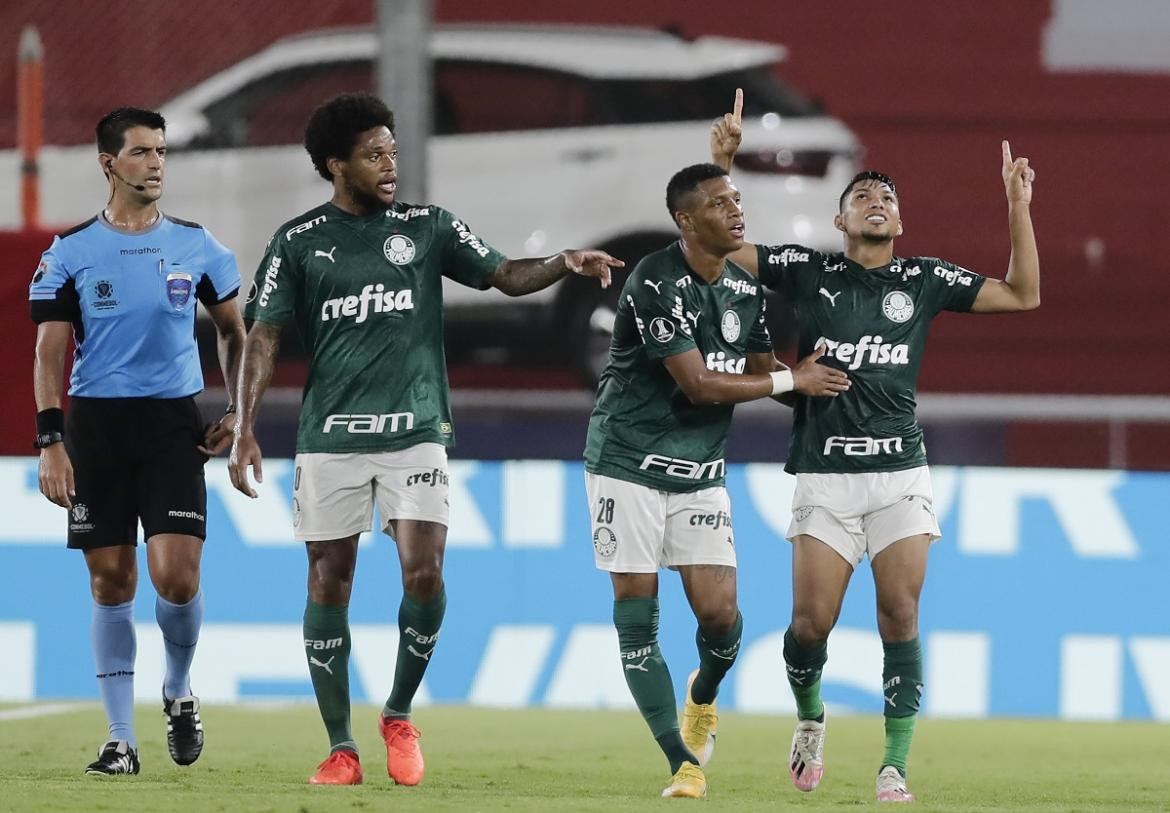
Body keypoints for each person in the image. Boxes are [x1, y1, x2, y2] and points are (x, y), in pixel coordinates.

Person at [226, 92, 623, 787]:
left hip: (416, 431)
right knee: (329, 579)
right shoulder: (297, 241)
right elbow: (263, 336)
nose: (389, 164)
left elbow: (501, 273)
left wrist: (563, 261)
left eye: (393, 150)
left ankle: (399, 711)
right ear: (335, 164)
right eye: (373, 153)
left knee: (425, 570)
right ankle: (341, 747)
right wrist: (245, 426)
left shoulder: (427, 226)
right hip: (332, 435)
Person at [709, 90, 1039, 803]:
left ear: (901, 218)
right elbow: (722, 248)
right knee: (808, 626)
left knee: (900, 615)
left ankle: (894, 764)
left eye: (886, 194)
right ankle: (810, 716)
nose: (876, 199)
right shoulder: (809, 269)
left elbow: (1022, 296)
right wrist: (723, 164)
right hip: (825, 477)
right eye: (862, 193)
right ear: (840, 219)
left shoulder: (922, 280)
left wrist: (1018, 205)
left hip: (898, 477)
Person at [584, 162, 850, 798]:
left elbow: (770, 375)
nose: (737, 212)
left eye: (738, 200)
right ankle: (682, 761)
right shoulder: (653, 280)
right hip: (627, 463)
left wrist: (843, 388)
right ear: (685, 221)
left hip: (700, 473)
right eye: (721, 203)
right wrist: (792, 381)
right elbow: (701, 386)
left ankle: (701, 695)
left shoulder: (746, 292)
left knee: (723, 622)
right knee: (637, 617)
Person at [29, 107, 245, 776]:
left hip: (172, 426)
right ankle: (121, 739)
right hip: (97, 426)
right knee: (110, 579)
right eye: (143, 152)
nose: (156, 163)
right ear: (108, 163)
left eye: (161, 151)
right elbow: (48, 353)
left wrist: (239, 407)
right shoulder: (68, 255)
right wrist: (50, 439)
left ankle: (178, 689)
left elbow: (236, 332)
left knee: (176, 579)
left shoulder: (198, 245)